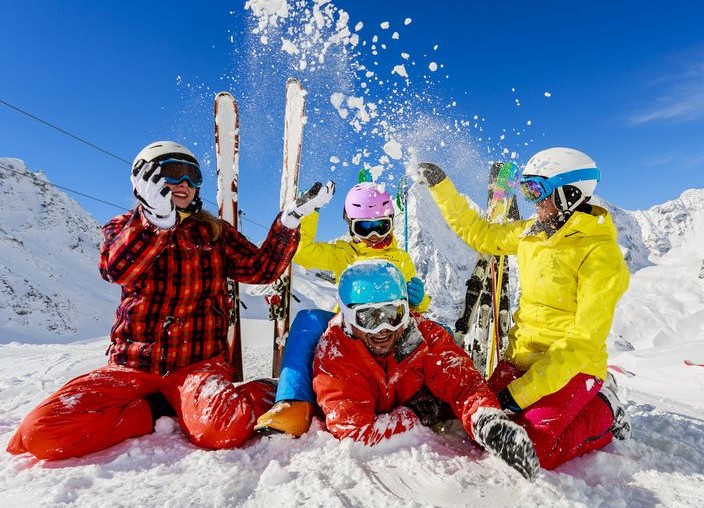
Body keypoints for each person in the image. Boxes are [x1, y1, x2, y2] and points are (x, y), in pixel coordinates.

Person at [7, 140, 334, 460]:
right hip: (133, 366)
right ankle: (158, 408)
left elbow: (260, 269)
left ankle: (267, 390)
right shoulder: (125, 228)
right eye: (170, 173)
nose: (184, 183)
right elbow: (115, 268)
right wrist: (156, 224)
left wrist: (289, 222)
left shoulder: (213, 232)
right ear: (142, 181)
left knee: (223, 430)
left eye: (191, 176)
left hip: (197, 365)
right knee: (41, 432)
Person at [413, 147, 631, 470]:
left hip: (573, 368)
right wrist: (441, 187)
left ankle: (605, 408)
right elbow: (481, 234)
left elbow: (582, 344)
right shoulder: (532, 233)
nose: (533, 201)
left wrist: (519, 395)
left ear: (570, 193)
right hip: (522, 358)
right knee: (482, 428)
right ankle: (560, 403)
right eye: (527, 189)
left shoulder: (600, 255)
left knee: (535, 450)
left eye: (538, 190)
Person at [312, 260, 539, 480]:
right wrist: (417, 413)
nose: (383, 329)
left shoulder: (421, 334)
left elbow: (465, 383)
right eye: (368, 318)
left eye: (393, 315)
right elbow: (357, 434)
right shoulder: (335, 354)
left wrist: (487, 420)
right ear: (348, 317)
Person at [255, 182, 430, 436]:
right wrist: (312, 211)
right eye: (364, 228)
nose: (373, 237)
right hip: (349, 327)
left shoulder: (400, 258)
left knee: (434, 331)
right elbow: (302, 253)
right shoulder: (342, 253)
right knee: (308, 319)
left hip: (389, 329)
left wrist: (419, 300)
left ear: (391, 222)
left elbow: (415, 307)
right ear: (350, 225)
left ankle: (435, 398)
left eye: (381, 227)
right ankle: (293, 402)